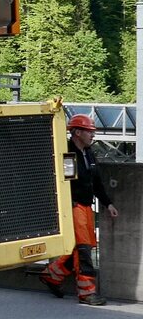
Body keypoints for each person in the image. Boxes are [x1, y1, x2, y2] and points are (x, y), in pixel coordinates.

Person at [40, 113, 119, 306]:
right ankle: (87, 293)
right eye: (89, 131)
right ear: (76, 132)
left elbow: (97, 182)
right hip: (73, 206)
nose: (93, 135)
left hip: (85, 206)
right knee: (84, 250)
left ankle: (52, 274)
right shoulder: (66, 152)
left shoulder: (89, 153)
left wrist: (108, 203)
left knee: (81, 247)